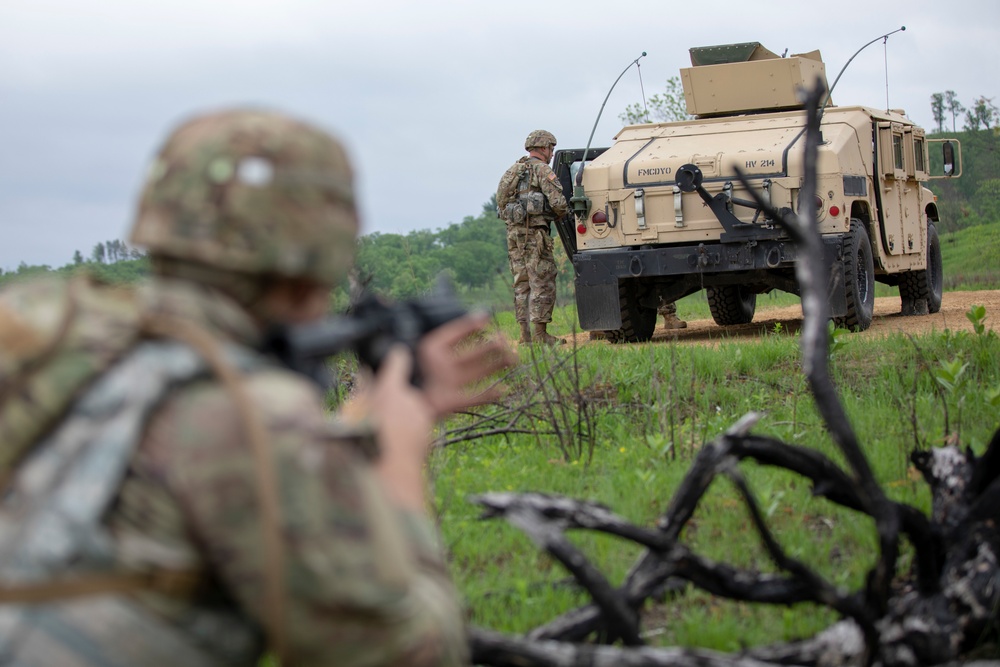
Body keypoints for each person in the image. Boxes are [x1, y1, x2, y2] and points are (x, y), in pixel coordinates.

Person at [0, 109, 513, 666]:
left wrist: (329, 446)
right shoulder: (252, 417)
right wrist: (394, 460)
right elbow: (409, 653)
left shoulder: (38, 333)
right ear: (321, 247)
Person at [496, 129, 569, 345]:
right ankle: (540, 335)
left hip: (513, 234)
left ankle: (524, 336)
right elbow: (559, 203)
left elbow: (501, 201)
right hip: (535, 234)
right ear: (544, 148)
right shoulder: (542, 170)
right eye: (551, 149)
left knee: (522, 283)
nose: (552, 154)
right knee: (542, 280)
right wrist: (558, 215)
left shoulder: (513, 170)